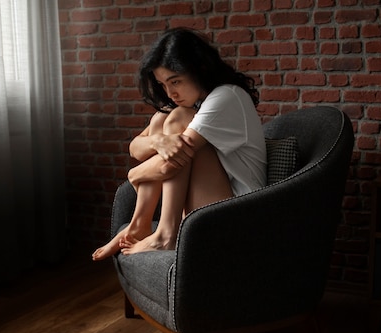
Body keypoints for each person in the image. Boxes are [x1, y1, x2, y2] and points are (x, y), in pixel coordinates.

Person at [92, 27, 266, 261]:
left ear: (200, 69)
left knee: (177, 117)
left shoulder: (226, 97)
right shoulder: (198, 102)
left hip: (237, 216)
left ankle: (166, 235)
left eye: (175, 81)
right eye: (163, 85)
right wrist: (158, 140)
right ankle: (139, 224)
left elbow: (167, 167)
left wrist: (135, 174)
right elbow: (135, 148)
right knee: (161, 119)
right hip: (211, 206)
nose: (170, 92)